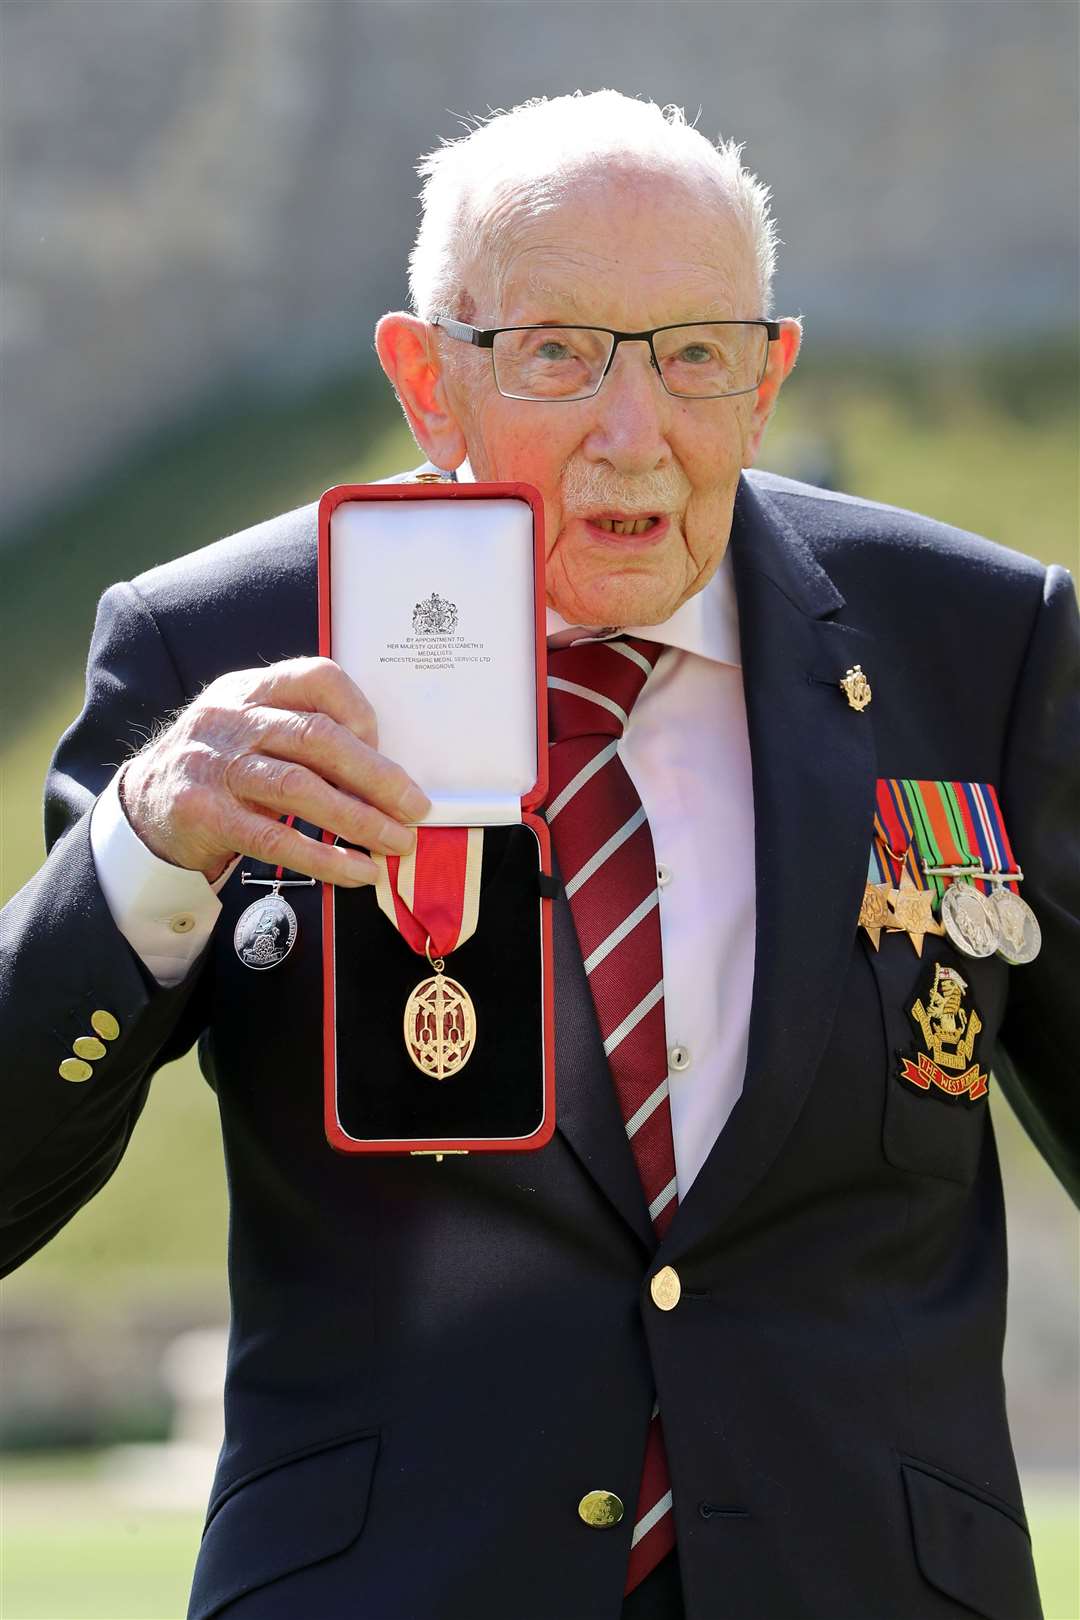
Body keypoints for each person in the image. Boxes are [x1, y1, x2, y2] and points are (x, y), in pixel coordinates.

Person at [1, 89, 1077, 1620]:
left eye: (694, 354)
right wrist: (146, 849)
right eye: (557, 353)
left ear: (767, 380)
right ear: (427, 379)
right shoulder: (217, 649)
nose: (632, 434)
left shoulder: (975, 643)